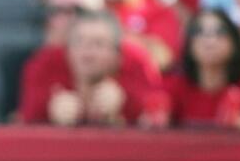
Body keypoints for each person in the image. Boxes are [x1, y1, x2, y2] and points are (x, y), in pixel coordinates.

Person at [19, 10, 168, 127]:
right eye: (79, 42)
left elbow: (157, 123)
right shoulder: (43, 67)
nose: (87, 52)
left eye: (98, 44)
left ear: (117, 55)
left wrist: (124, 112)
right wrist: (49, 114)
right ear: (68, 50)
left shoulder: (138, 67)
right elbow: (25, 123)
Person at [165, 8, 240, 131]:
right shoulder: (176, 85)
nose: (209, 40)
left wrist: (236, 122)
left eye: (220, 32)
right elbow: (154, 122)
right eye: (199, 32)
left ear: (234, 42)